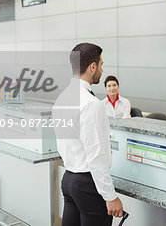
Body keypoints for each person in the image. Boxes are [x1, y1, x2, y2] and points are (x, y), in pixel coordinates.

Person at [52, 43, 123, 226]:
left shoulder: (62, 98)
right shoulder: (91, 103)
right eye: (100, 64)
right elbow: (96, 154)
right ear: (92, 67)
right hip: (88, 184)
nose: (102, 69)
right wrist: (110, 196)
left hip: (69, 180)